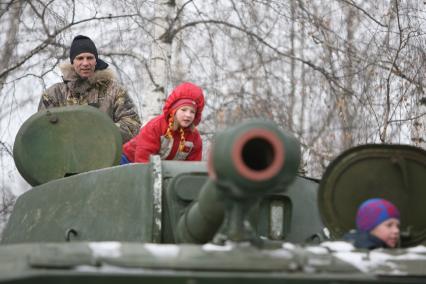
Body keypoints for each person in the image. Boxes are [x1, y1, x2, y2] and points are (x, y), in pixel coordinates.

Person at [38, 35, 141, 143]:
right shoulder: (54, 94)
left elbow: (132, 125)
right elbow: (41, 129)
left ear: (96, 61)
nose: (86, 63)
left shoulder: (114, 91)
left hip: (106, 156)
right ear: (73, 62)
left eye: (90, 58)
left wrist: (96, 133)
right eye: (80, 58)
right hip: (64, 158)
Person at [121, 82, 204, 163]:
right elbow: (144, 156)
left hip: (159, 168)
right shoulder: (156, 126)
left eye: (192, 112)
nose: (188, 115)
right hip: (128, 160)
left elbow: (193, 166)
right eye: (183, 110)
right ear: (174, 110)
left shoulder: (194, 138)